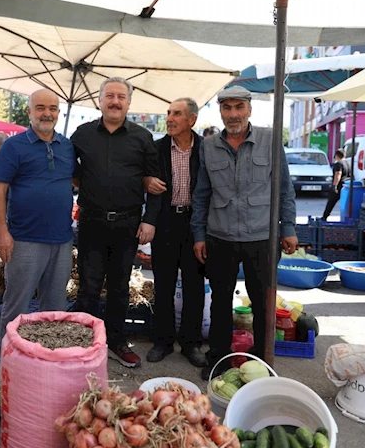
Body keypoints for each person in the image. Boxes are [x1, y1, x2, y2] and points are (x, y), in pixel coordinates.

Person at [191, 85, 297, 380]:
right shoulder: (209, 146)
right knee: (221, 302)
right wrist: (199, 234)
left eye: (239, 107)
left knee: (263, 303)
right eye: (227, 108)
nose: (233, 114)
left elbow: (284, 187)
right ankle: (219, 360)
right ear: (221, 111)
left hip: (262, 236)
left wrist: (287, 228)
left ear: (250, 109)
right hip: (220, 235)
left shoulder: (270, 140)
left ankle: (263, 363)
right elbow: (201, 194)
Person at [71, 77, 162, 368]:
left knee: (120, 288)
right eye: (109, 95)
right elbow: (71, 172)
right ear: (100, 100)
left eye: (121, 97)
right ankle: (85, 342)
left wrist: (150, 221)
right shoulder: (82, 134)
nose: (115, 101)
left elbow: (157, 184)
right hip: (91, 223)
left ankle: (117, 342)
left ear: (129, 102)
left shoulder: (142, 137)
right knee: (88, 286)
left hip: (128, 225)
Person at [0, 90, 76, 343]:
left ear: (59, 113)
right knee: (17, 305)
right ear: (29, 112)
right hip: (24, 239)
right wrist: (2, 232)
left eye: (52, 108)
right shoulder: (13, 146)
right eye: (40, 108)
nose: (47, 113)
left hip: (62, 240)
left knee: (55, 307)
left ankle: (46, 359)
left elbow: (76, 180)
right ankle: (8, 358)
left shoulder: (67, 146)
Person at [144, 97, 206, 367]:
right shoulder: (155, 149)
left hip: (195, 226)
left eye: (177, 114)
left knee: (194, 287)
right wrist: (145, 180)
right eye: (168, 113)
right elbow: (139, 176)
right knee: (163, 285)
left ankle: (191, 344)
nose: (169, 118)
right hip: (166, 223)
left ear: (191, 120)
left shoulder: (206, 149)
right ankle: (163, 341)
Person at [321, 149, 350, 221]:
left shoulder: (338, 164)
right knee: (347, 203)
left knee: (331, 201)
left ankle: (325, 217)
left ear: (336, 155)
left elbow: (338, 174)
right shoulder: (349, 163)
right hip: (347, 186)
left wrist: (334, 185)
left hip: (340, 185)